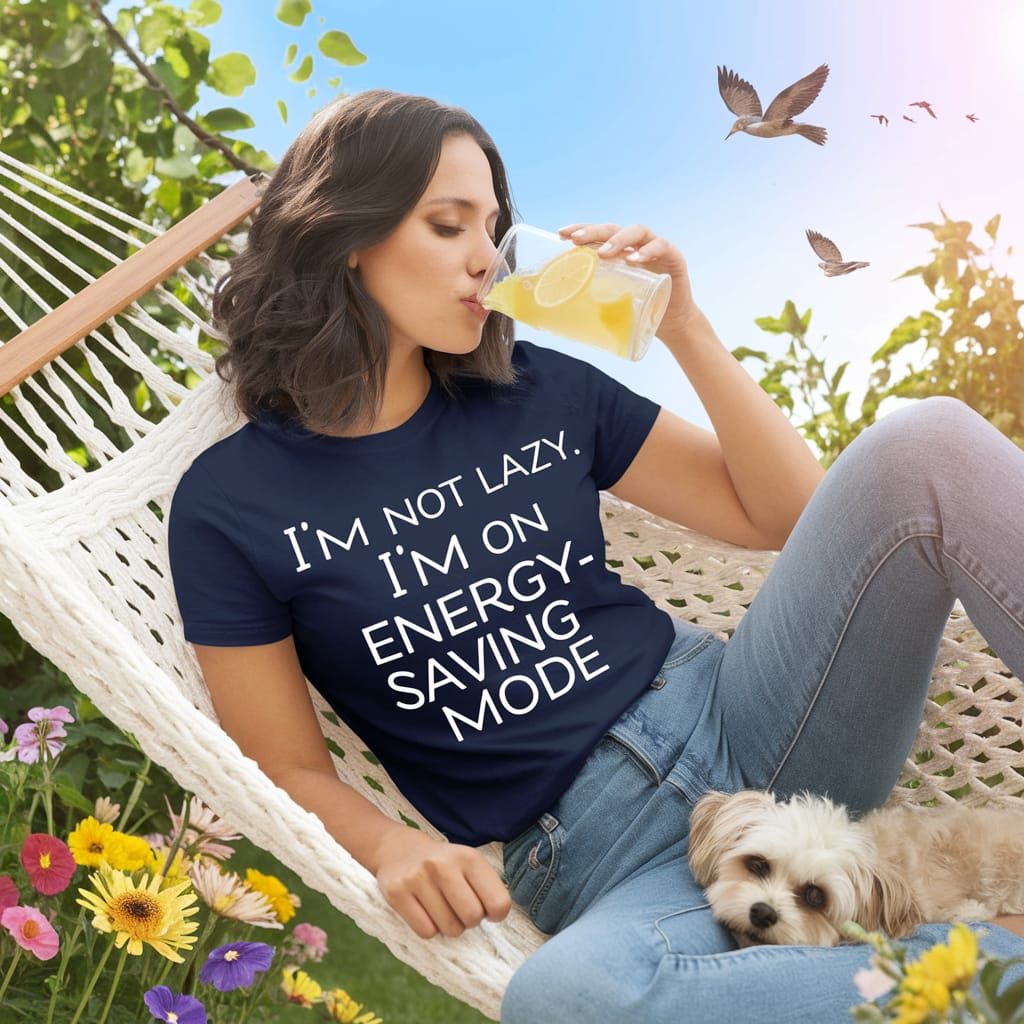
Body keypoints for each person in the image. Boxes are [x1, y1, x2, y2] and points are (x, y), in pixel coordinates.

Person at [166, 88, 1024, 1023]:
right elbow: (287, 766)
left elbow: (782, 512)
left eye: (492, 225)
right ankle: (994, 966)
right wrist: (389, 847)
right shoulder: (228, 506)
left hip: (757, 714)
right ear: (347, 235)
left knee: (924, 449)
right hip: (598, 854)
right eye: (449, 225)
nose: (487, 257)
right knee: (568, 999)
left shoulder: (534, 390)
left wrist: (683, 325)